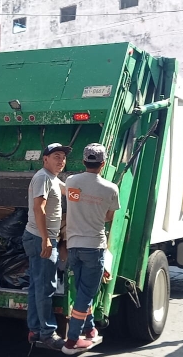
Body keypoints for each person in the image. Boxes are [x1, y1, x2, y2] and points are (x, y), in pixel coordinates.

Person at [61, 143, 120, 355]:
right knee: (87, 294)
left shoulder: (71, 181)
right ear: (103, 164)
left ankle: (90, 328)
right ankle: (72, 340)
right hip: (94, 247)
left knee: (81, 291)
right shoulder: (111, 188)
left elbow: (74, 201)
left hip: (74, 246)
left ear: (84, 161)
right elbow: (109, 217)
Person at [22, 142, 71, 350]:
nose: (61, 160)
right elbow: (38, 207)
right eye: (56, 156)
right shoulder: (43, 177)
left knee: (36, 286)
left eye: (63, 157)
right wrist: (46, 239)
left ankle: (34, 329)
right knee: (45, 287)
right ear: (45, 159)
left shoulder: (52, 178)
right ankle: (48, 333)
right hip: (41, 238)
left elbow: (69, 191)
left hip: (38, 237)